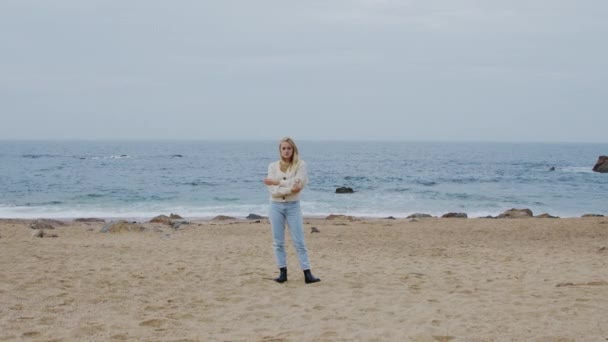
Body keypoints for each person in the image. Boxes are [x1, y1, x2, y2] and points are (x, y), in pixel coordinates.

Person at [263, 137, 321, 284]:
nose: (286, 151)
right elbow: (273, 191)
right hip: (275, 206)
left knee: (299, 241)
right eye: (284, 148)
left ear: (293, 149)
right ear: (280, 150)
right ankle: (283, 273)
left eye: (289, 148)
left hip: (293, 206)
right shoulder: (272, 166)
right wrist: (289, 188)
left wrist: (277, 182)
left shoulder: (300, 165)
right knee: (278, 242)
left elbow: (299, 185)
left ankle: (307, 274)